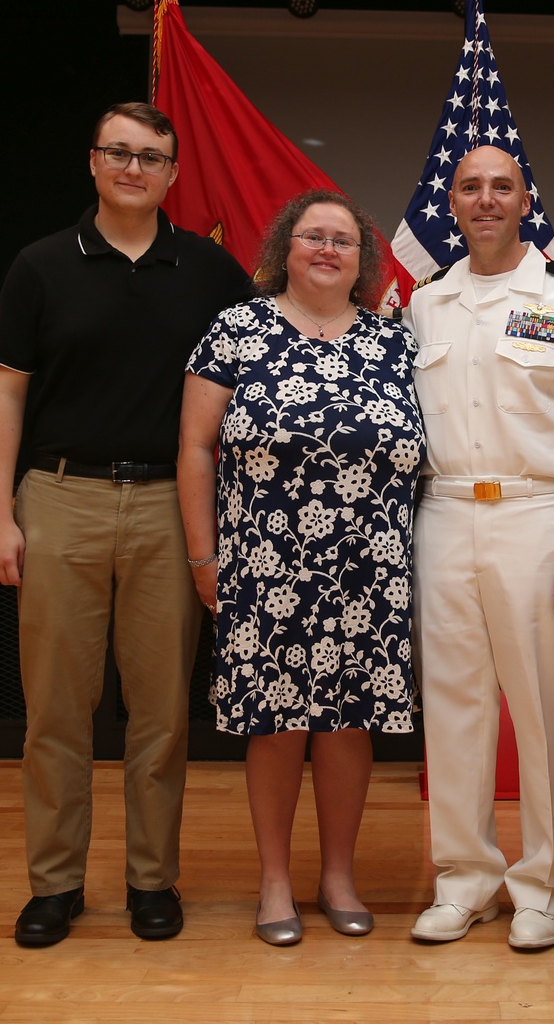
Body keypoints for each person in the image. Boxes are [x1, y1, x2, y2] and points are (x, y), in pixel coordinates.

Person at [0, 102, 250, 946]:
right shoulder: (41, 265)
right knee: (57, 708)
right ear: (93, 162)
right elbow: (5, 395)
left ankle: (150, 879)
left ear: (173, 174)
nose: (135, 169)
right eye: (119, 153)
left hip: (172, 506)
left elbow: (251, 387)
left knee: (163, 709)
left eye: (152, 158)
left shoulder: (209, 270)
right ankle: (54, 883)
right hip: (60, 499)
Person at [405, 145, 554, 950]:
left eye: (501, 185)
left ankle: (543, 884)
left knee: (541, 708)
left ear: (524, 198)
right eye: (470, 186)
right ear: (453, 203)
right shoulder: (427, 303)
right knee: (455, 705)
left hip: (540, 514)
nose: (486, 199)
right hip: (443, 514)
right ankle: (464, 880)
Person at [177, 190, 424, 946]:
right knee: (276, 724)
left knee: (350, 726)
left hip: (370, 569)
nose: (326, 248)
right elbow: (194, 447)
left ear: (363, 260)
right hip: (265, 563)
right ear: (284, 247)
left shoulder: (395, 341)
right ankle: (276, 878)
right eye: (312, 235)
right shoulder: (237, 330)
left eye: (342, 240)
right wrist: (202, 553)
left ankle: (339, 874)